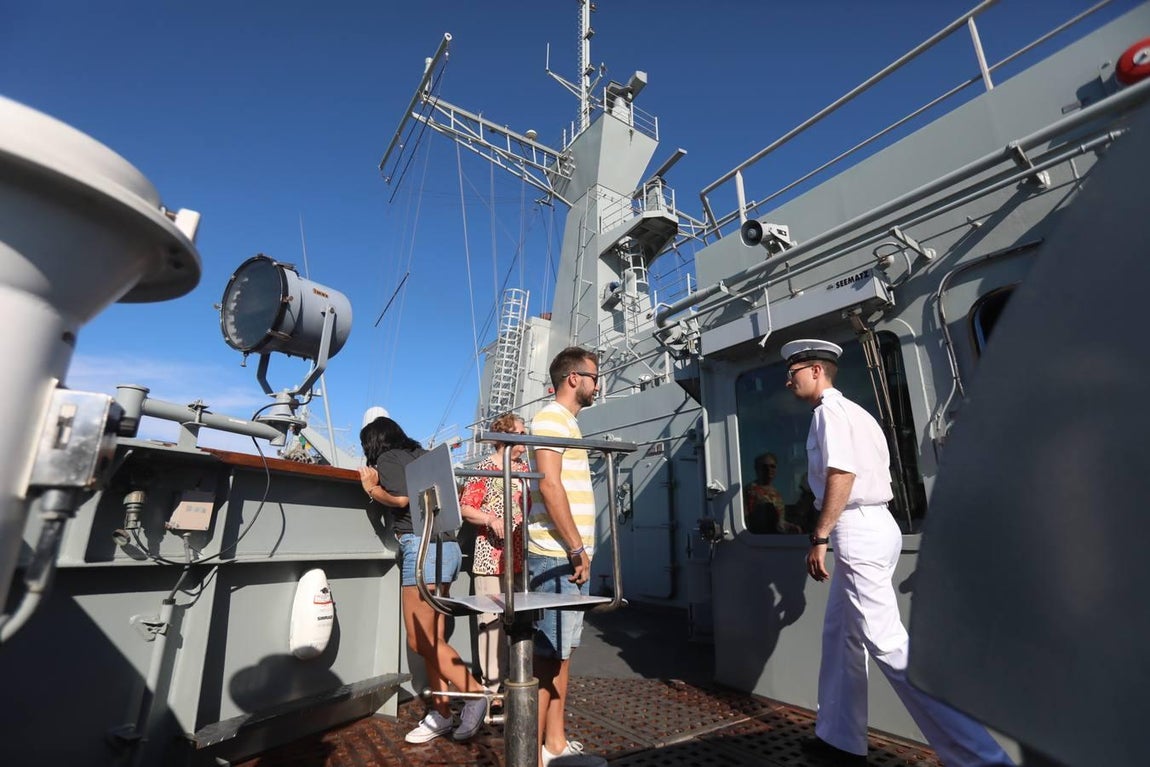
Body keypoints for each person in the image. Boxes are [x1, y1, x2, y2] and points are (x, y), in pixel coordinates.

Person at [782, 339, 1013, 767]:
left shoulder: (829, 414)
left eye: (793, 372)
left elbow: (842, 474)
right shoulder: (859, 414)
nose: (787, 380)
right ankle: (839, 738)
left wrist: (820, 536)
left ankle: (983, 759)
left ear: (816, 370)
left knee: (887, 642)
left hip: (855, 527)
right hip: (878, 524)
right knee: (842, 635)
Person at [358, 416, 489, 744]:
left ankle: (475, 695)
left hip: (422, 548)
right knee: (434, 640)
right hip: (447, 548)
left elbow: (402, 499)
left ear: (374, 443)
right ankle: (442, 713)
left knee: (421, 641)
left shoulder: (387, 459)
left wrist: (373, 489)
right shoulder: (421, 456)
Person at [529, 347, 599, 766]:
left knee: (562, 656)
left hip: (569, 557)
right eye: (593, 376)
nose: (596, 384)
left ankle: (554, 743)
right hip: (557, 556)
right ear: (573, 378)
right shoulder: (551, 418)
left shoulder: (566, 422)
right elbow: (551, 487)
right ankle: (531, 753)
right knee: (546, 658)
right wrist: (575, 547)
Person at [458, 412, 529, 694]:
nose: (526, 440)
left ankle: (517, 680)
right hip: (490, 555)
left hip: (519, 556)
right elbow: (465, 507)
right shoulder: (485, 468)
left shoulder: (524, 469)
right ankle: (492, 686)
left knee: (521, 618)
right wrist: (491, 520)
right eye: (520, 435)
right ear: (503, 438)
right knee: (490, 622)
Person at [745, 451, 800, 534]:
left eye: (772, 466)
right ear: (757, 469)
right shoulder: (750, 491)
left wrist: (790, 527)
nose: (769, 470)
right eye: (764, 467)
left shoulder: (776, 492)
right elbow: (747, 521)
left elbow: (779, 521)